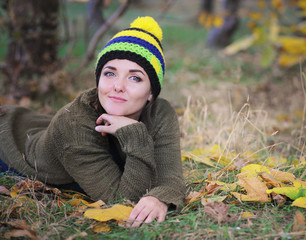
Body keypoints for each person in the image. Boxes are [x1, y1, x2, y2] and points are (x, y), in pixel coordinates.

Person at [0, 16, 186, 227]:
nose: (118, 86)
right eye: (109, 73)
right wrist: (135, 135)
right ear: (98, 79)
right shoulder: (73, 127)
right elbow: (123, 201)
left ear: (151, 92)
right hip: (8, 145)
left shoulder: (161, 112)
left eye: (135, 77)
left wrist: (159, 198)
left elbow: (171, 176)